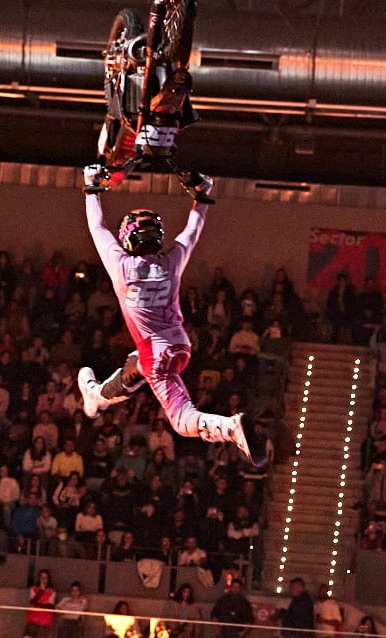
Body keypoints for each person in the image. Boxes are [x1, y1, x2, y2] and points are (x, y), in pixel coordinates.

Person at [77, 169, 263, 464]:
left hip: (155, 352)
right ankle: (96, 396)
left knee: (180, 419)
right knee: (133, 366)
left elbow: (97, 227)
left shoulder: (121, 266)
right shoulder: (172, 260)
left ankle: (230, 428)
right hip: (179, 343)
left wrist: (92, 189)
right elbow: (192, 231)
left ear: (128, 237)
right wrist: (202, 196)